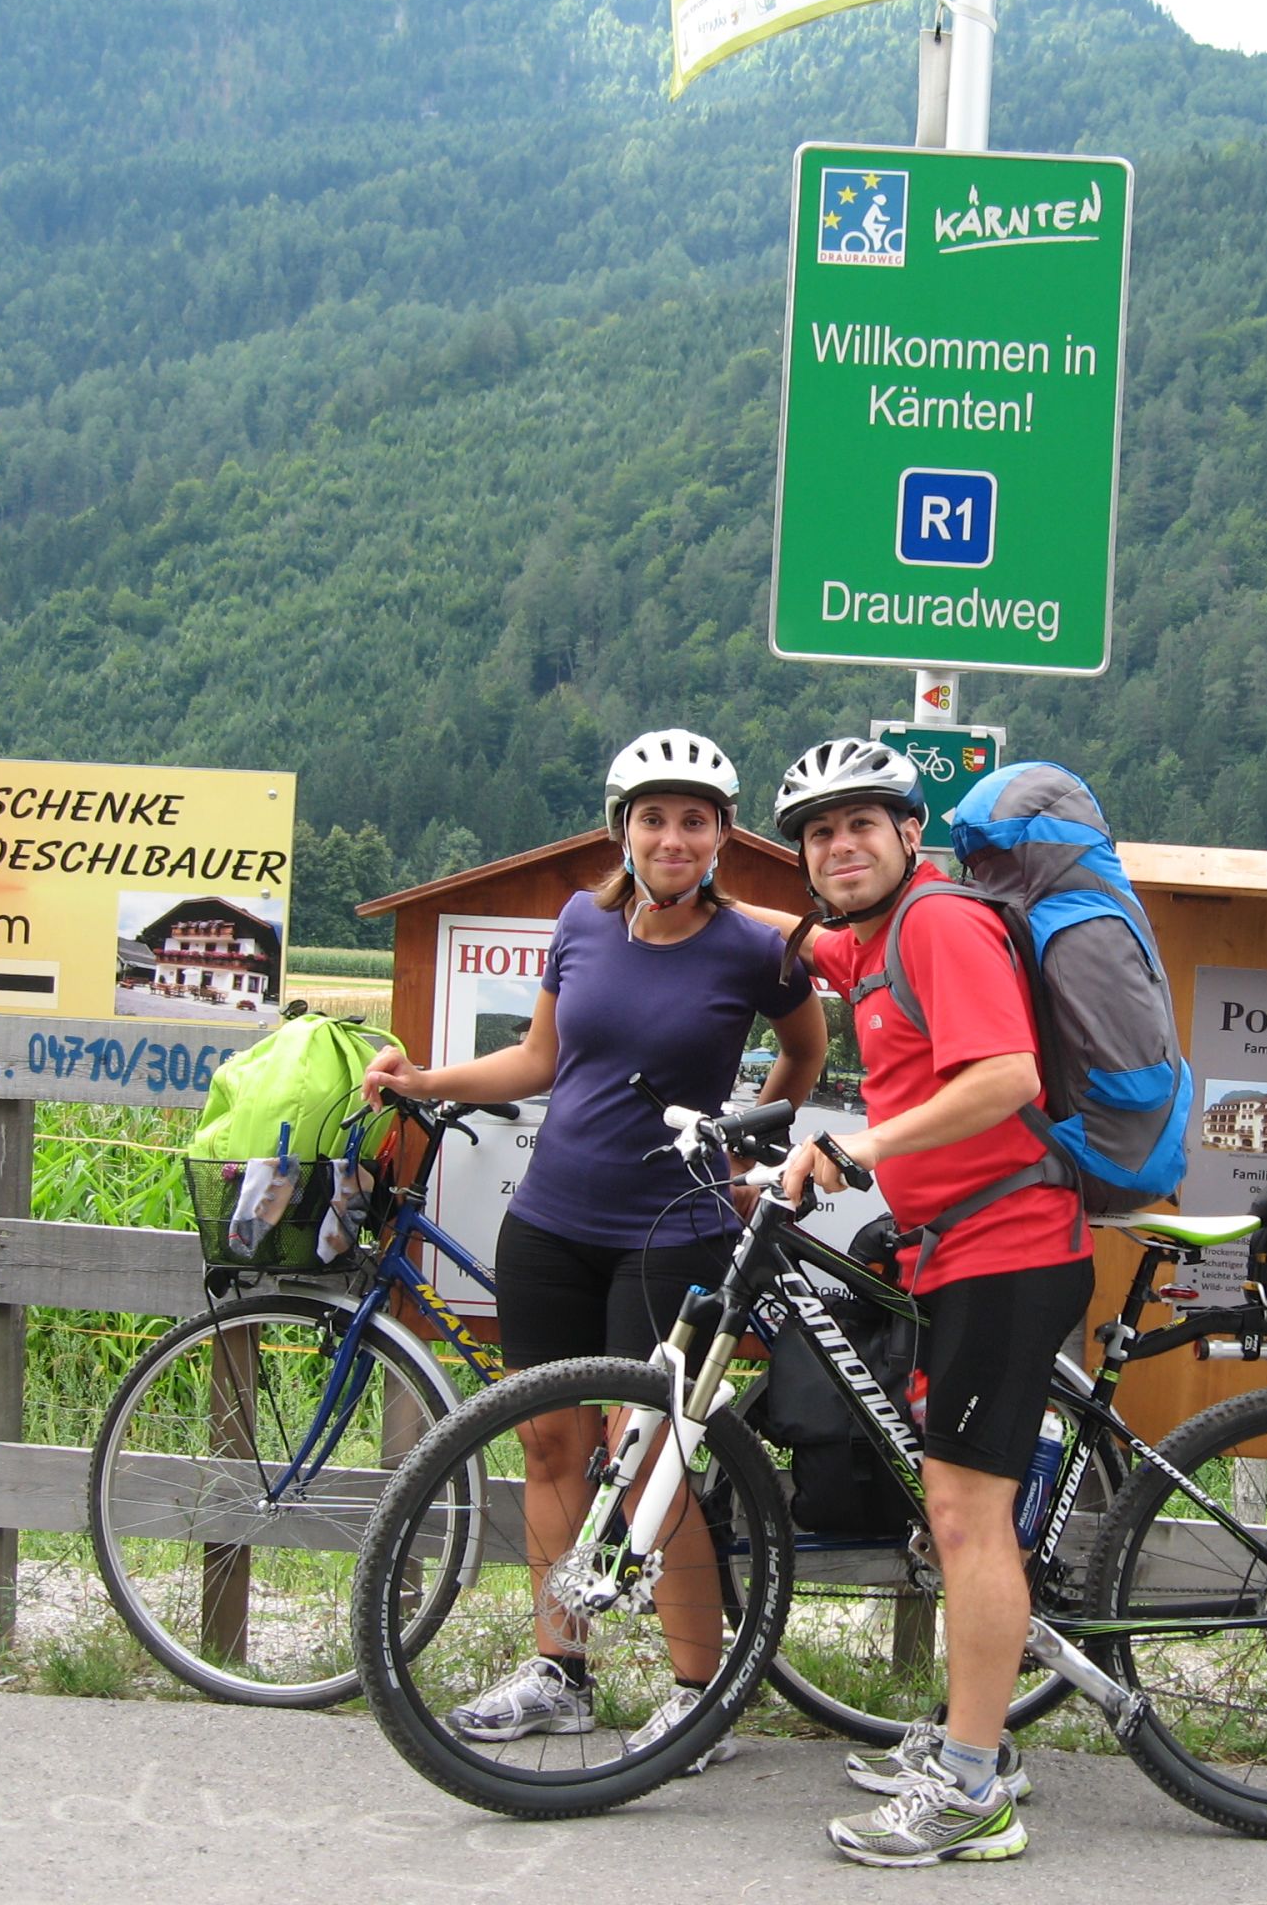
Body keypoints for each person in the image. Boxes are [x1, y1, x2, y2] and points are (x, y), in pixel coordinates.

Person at [364, 727, 826, 1768]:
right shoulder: (579, 923)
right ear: (623, 828)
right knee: (548, 1446)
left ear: (720, 837)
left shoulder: (757, 947)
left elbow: (804, 1052)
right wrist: (427, 1082)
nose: (673, 837)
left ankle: (698, 1693)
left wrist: (754, 1136)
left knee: (654, 1457)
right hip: (552, 1222)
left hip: (674, 1230)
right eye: (654, 817)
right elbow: (537, 1059)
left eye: (694, 821)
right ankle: (559, 1672)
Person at [769, 737, 1093, 1869]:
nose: (838, 844)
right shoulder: (876, 939)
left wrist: (853, 1145)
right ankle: (976, 1745)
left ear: (914, 836)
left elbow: (1005, 1076)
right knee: (956, 1513)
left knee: (962, 1517)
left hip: (1005, 1247)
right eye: (817, 831)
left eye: (862, 823)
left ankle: (972, 1791)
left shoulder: (940, 924)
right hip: (958, 1251)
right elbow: (808, 953)